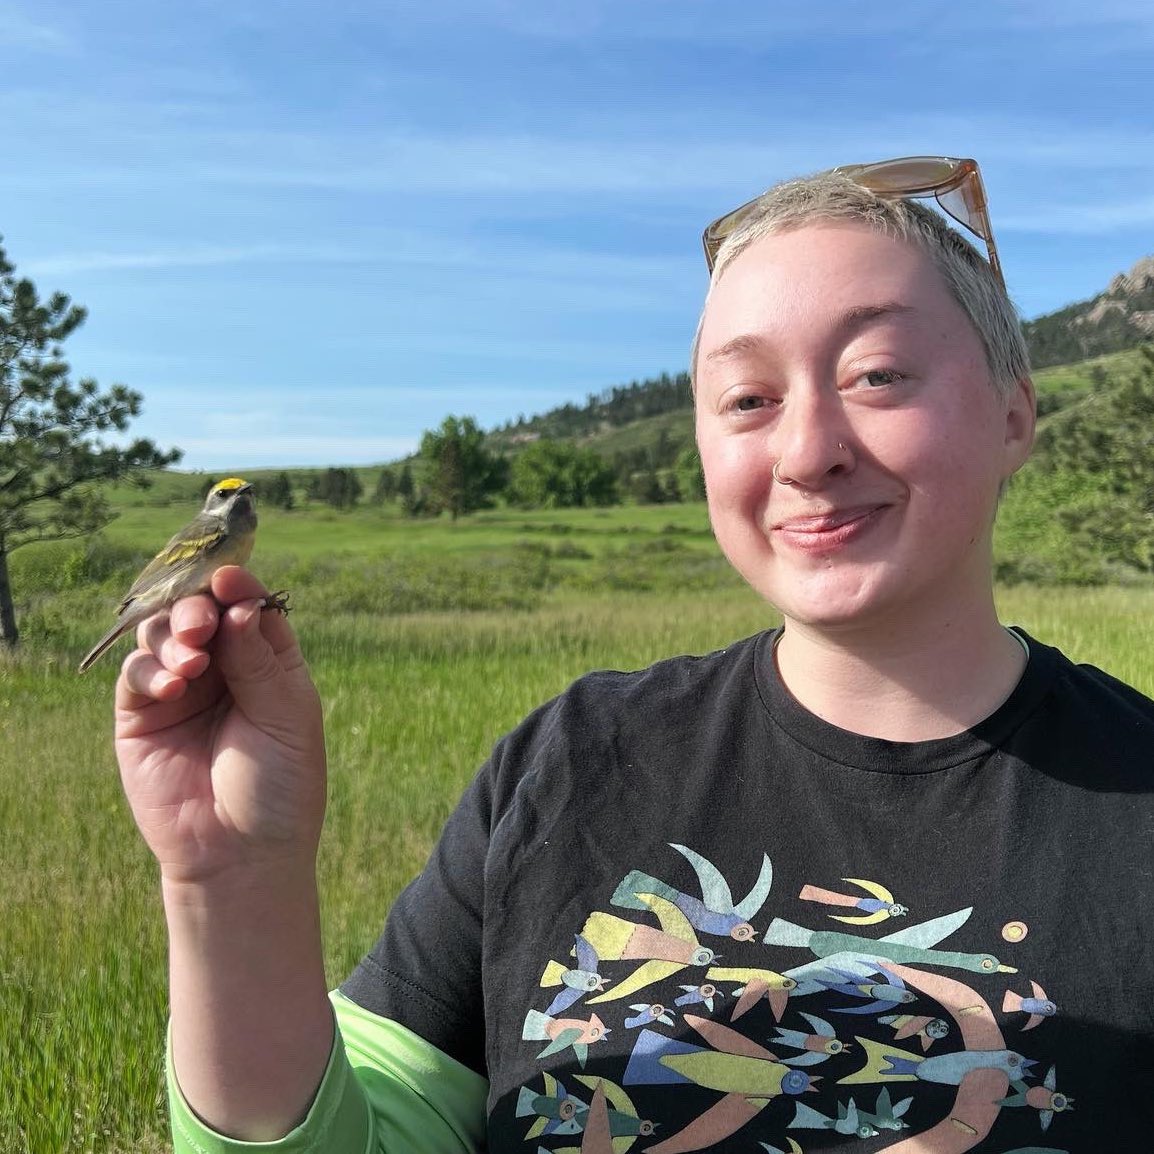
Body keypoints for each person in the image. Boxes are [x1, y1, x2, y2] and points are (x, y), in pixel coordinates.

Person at [115, 157, 1154, 1153]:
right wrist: (234, 879)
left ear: (1014, 412)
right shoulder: (569, 760)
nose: (805, 450)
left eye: (876, 373)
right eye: (747, 398)